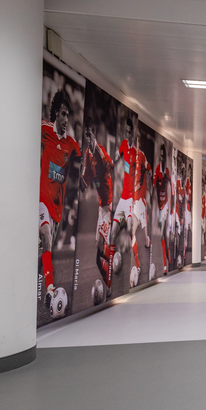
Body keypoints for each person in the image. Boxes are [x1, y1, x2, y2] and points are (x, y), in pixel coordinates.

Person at [39, 89, 81, 309]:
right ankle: (49, 290)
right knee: (45, 234)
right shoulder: (45, 129)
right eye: (63, 114)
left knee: (44, 249)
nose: (65, 119)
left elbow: (82, 159)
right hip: (41, 199)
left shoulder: (72, 144)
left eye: (68, 115)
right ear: (56, 113)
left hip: (57, 208)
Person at [79, 122, 114, 292]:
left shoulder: (100, 151)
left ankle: (114, 258)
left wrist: (106, 163)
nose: (87, 139)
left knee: (102, 246)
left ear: (94, 136)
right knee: (96, 255)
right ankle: (108, 285)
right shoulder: (87, 153)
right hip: (101, 207)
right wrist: (80, 183)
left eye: (90, 135)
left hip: (108, 205)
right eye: (85, 136)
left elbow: (109, 164)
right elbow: (85, 179)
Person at [109, 118, 138, 283]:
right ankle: (111, 270)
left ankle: (134, 266)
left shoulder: (135, 152)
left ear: (133, 132)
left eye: (129, 131)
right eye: (126, 131)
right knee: (112, 232)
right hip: (122, 198)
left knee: (129, 230)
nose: (127, 134)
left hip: (131, 200)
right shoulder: (123, 146)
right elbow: (116, 158)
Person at [153, 144, 173, 275]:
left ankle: (165, 266)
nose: (161, 156)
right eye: (160, 154)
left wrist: (170, 207)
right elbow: (154, 186)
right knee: (163, 236)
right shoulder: (157, 170)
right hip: (159, 205)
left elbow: (171, 190)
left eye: (163, 154)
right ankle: (168, 259)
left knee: (163, 234)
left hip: (165, 205)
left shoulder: (167, 170)